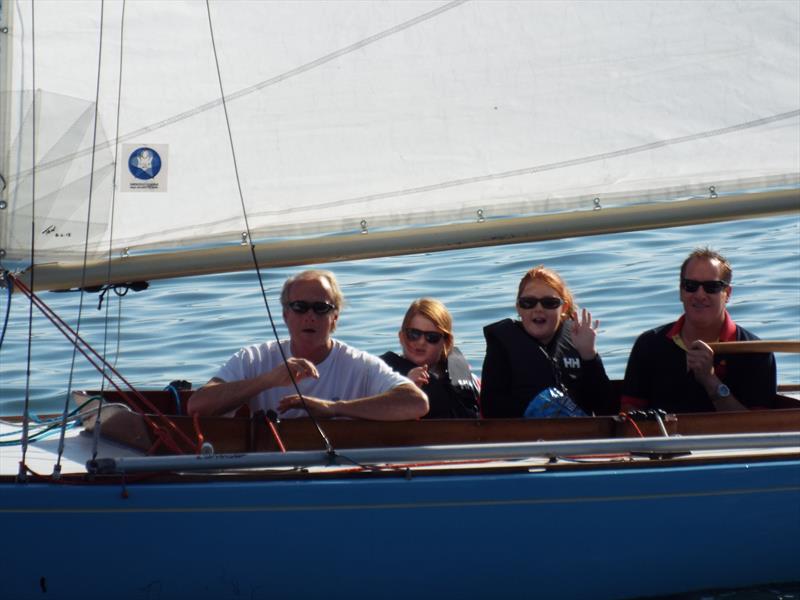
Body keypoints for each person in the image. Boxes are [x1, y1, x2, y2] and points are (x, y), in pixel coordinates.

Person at [186, 270, 429, 420]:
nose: (309, 316)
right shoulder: (254, 359)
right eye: (300, 307)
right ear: (285, 315)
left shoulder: (359, 365)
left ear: (335, 318)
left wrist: (333, 409)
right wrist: (268, 380)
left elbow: (416, 402)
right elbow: (197, 406)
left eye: (320, 308)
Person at [621, 248, 776, 413]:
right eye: (691, 286)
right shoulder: (649, 344)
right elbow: (628, 417)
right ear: (681, 291)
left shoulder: (756, 352)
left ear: (727, 294)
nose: (700, 294)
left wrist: (710, 381)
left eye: (712, 287)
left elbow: (757, 428)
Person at [480, 265, 615, 418]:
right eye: (528, 302)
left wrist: (589, 355)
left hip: (579, 434)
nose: (538, 309)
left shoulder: (578, 340)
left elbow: (607, 408)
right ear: (518, 308)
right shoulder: (502, 346)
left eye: (549, 303)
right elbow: (491, 411)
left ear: (564, 308)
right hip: (526, 436)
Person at [380, 298, 480, 419]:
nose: (421, 342)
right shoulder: (382, 374)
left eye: (432, 337)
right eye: (414, 334)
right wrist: (406, 390)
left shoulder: (462, 374)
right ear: (401, 337)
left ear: (446, 342)